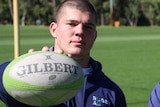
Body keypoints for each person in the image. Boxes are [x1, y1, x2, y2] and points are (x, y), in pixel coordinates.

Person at [0, 0, 126, 107]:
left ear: (95, 36)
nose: (80, 31)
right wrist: (18, 69)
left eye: (88, 27)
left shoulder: (112, 92)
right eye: (72, 24)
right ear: (54, 29)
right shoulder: (29, 77)